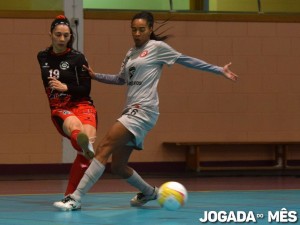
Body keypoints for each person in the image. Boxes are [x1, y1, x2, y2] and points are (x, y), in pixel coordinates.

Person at [53, 11, 238, 211]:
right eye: (134, 29)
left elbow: (186, 60)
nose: (137, 33)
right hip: (132, 110)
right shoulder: (131, 53)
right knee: (118, 167)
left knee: (103, 147)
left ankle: (75, 198)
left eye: (142, 29)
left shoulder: (158, 48)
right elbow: (121, 79)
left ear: (150, 29)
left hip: (143, 110)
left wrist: (218, 69)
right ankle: (150, 193)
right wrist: (95, 76)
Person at [37, 15, 97, 196]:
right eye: (58, 35)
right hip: (59, 107)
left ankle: (71, 197)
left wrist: (66, 87)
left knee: (88, 143)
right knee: (75, 127)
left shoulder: (78, 58)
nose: (62, 39)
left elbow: (85, 89)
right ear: (51, 35)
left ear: (71, 36)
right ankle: (83, 145)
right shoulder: (42, 56)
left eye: (66, 35)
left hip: (82, 103)